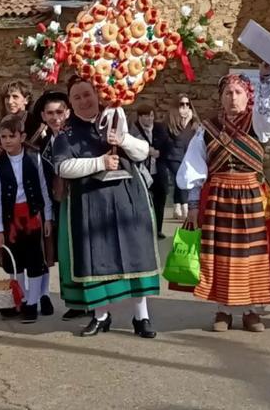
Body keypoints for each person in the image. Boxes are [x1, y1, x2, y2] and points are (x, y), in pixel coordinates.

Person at [177, 65, 270, 333]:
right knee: (221, 254)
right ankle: (224, 310)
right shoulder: (207, 128)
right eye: (228, 92)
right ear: (221, 97)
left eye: (238, 91)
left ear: (248, 95)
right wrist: (193, 204)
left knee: (253, 255)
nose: (233, 97)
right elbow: (194, 167)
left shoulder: (259, 124)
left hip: (251, 196)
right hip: (219, 197)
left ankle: (252, 311)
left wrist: (266, 79)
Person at [54, 77, 160, 338]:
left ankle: (141, 317)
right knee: (95, 258)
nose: (83, 100)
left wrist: (122, 140)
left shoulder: (118, 119)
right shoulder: (67, 134)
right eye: (76, 97)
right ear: (70, 103)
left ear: (97, 94)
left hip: (128, 199)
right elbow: (62, 167)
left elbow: (143, 152)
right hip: (90, 202)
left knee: (136, 253)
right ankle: (101, 316)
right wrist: (99, 162)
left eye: (87, 94)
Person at [0, 115, 53, 323]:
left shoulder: (35, 158)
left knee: (34, 260)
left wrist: (48, 217)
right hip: (10, 220)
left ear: (22, 136)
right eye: (3, 136)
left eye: (12, 136)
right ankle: (19, 299)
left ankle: (33, 302)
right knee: (14, 262)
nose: (7, 141)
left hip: (33, 216)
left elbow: (44, 189)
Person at [32, 90, 72, 319]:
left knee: (78, 251)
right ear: (43, 116)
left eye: (59, 112)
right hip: (55, 201)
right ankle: (71, 298)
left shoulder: (75, 136)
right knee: (63, 252)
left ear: (67, 112)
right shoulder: (45, 142)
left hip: (78, 200)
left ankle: (85, 302)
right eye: (50, 113)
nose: (56, 117)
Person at [129, 104, 170, 239]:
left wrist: (159, 152)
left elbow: (168, 146)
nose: (150, 119)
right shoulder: (134, 130)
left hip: (158, 170)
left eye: (152, 116)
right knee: (142, 199)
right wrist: (146, 151)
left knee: (160, 198)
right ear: (140, 117)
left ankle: (158, 229)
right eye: (146, 116)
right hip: (142, 170)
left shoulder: (160, 129)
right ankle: (141, 229)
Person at [0, 80, 46, 155]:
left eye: (15, 97)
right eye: (7, 97)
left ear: (26, 100)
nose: (10, 101)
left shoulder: (38, 128)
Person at [165, 94, 200, 220]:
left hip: (188, 155)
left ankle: (176, 206)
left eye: (187, 104)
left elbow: (197, 138)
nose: (185, 107)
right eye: (182, 104)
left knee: (178, 181)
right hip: (174, 156)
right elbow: (172, 137)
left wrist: (191, 122)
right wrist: (183, 123)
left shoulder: (193, 121)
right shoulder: (171, 120)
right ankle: (185, 206)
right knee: (182, 179)